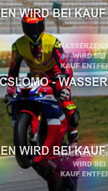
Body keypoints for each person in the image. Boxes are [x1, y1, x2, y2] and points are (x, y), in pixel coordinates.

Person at [7, 11, 80, 143]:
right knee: (20, 98)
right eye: (29, 28)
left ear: (42, 26)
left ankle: (73, 136)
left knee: (66, 102)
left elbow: (65, 66)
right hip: (35, 76)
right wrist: (10, 88)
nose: (33, 31)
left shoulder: (53, 42)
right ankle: (30, 128)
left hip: (56, 74)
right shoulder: (18, 45)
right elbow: (13, 70)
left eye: (36, 27)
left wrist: (64, 83)